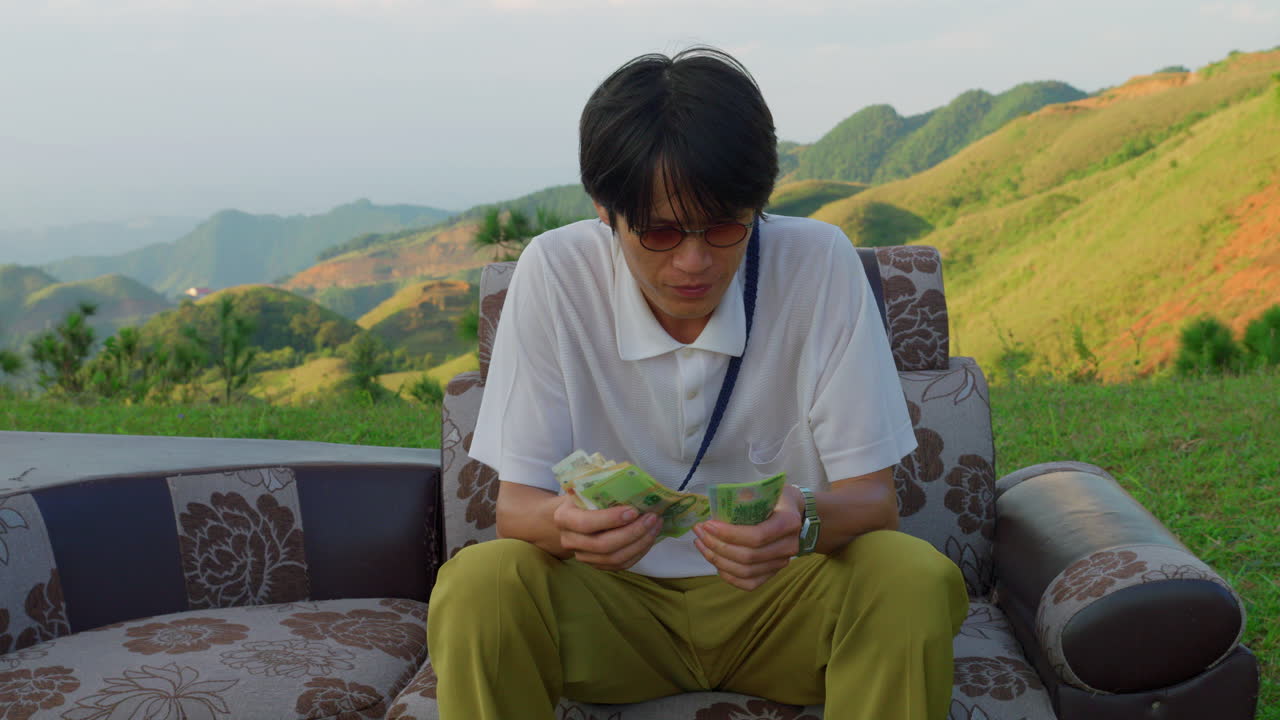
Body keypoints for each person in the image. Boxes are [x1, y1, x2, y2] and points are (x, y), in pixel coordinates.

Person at [426, 47, 968, 720]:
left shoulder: (819, 262)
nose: (693, 262)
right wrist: (567, 524)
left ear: (758, 206)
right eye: (658, 232)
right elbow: (517, 510)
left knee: (911, 577)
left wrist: (803, 521)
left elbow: (873, 503)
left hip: (783, 601)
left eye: (724, 227)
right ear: (605, 210)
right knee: (480, 584)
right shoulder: (556, 272)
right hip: (611, 613)